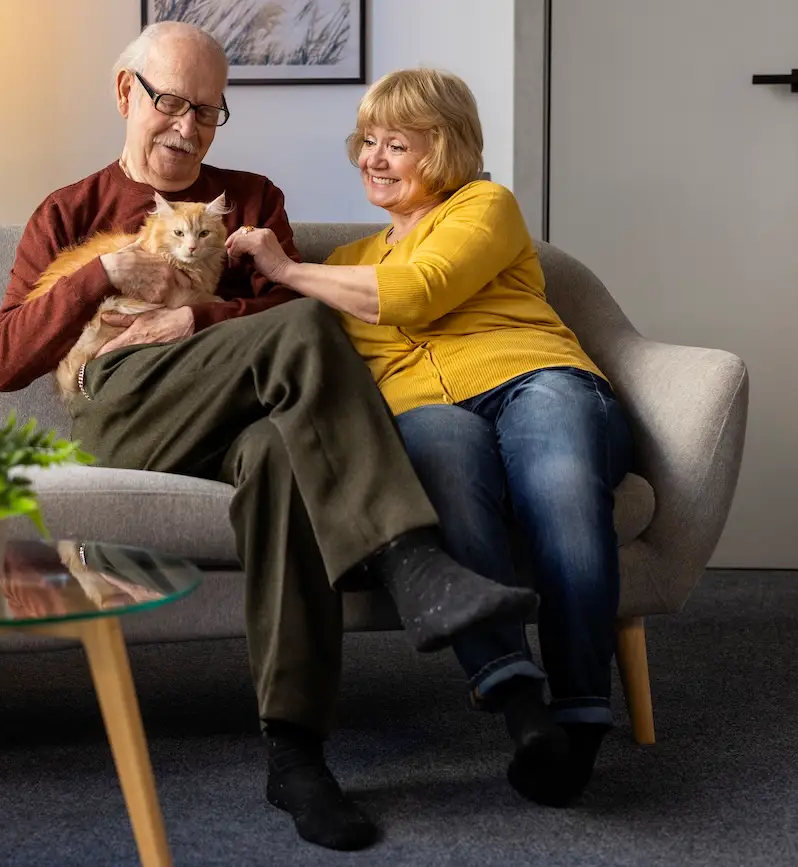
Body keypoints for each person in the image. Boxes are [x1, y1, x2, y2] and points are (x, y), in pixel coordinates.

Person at [0, 27, 538, 850]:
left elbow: (284, 310)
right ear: (125, 92)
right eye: (170, 101)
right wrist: (100, 277)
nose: (187, 125)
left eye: (208, 110)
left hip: (242, 419)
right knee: (310, 324)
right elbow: (1, 362)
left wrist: (197, 312)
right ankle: (412, 561)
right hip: (130, 404)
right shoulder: (70, 211)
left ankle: (296, 753)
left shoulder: (249, 197)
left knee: (283, 454)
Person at [226, 67, 635, 808]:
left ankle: (582, 714)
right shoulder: (345, 261)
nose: (372, 160)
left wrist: (288, 266)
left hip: (533, 377)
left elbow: (417, 293)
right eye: (367, 143)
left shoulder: (486, 205)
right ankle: (520, 706)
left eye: (396, 145)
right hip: (427, 409)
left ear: (442, 149)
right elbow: (257, 324)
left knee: (561, 486)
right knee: (444, 491)